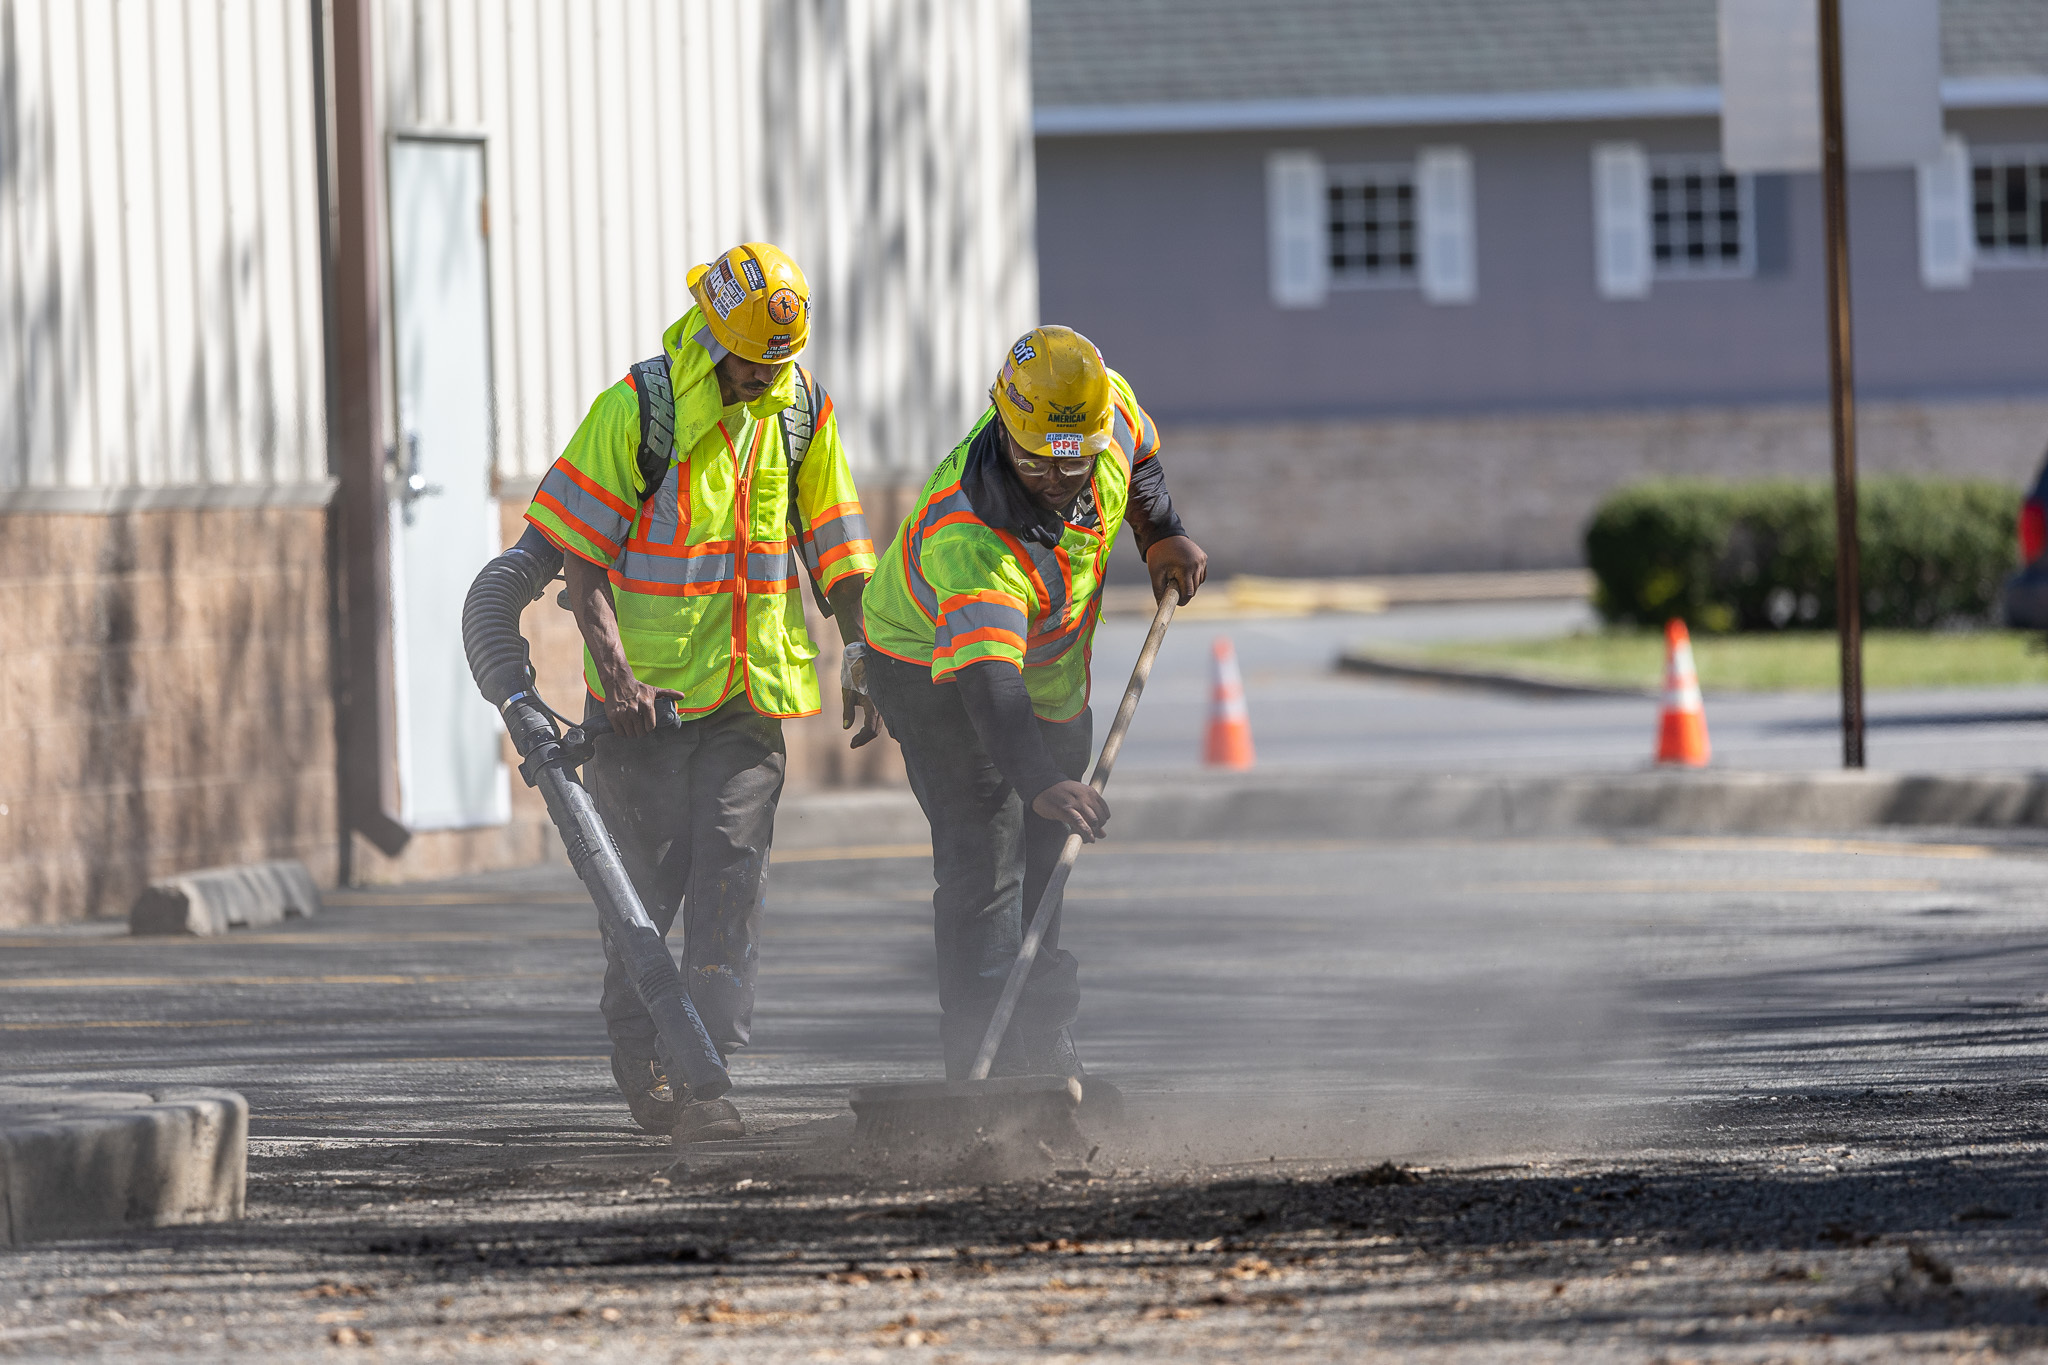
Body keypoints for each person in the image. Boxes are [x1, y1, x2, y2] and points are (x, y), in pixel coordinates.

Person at [522, 243, 879, 1141]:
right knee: (642, 891)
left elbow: (835, 544)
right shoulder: (638, 410)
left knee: (732, 875)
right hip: (641, 710)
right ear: (715, 335)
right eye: (753, 358)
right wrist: (617, 678)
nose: (766, 374)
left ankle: (708, 1073)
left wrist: (867, 644)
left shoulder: (801, 412)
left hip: (747, 697)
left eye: (779, 359)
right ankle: (642, 1049)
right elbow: (581, 553)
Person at [861, 326, 1206, 1092]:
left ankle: (1043, 1044)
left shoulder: (1101, 410)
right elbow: (988, 681)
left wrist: (1161, 534)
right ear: (1005, 426)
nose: (1057, 476)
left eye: (1073, 459)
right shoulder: (970, 532)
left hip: (1048, 669)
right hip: (929, 667)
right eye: (1035, 459)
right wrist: (1038, 781)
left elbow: (1140, 458)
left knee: (1049, 864)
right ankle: (982, 1080)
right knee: (987, 857)